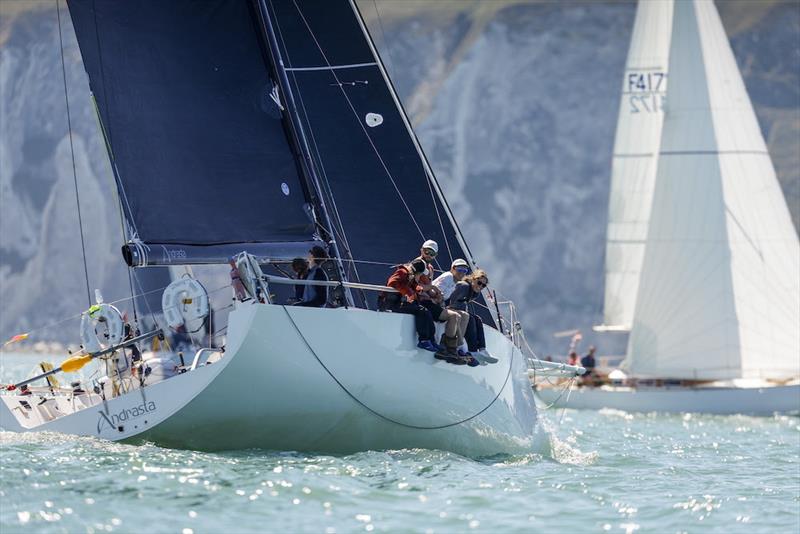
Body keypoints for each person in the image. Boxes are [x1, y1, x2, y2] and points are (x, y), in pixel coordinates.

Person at [383, 259, 438, 352]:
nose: (421, 275)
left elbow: (413, 285)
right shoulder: (402, 272)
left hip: (399, 301)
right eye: (420, 273)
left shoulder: (410, 275)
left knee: (426, 311)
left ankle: (431, 340)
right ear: (416, 271)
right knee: (421, 311)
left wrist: (418, 289)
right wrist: (409, 292)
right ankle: (423, 340)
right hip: (391, 304)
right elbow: (392, 283)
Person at [447, 270, 495, 365]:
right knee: (470, 319)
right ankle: (473, 350)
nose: (480, 286)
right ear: (473, 279)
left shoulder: (475, 293)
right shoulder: (464, 286)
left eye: (483, 286)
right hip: (448, 308)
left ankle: (482, 349)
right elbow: (450, 300)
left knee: (477, 319)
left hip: (458, 310)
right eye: (479, 283)